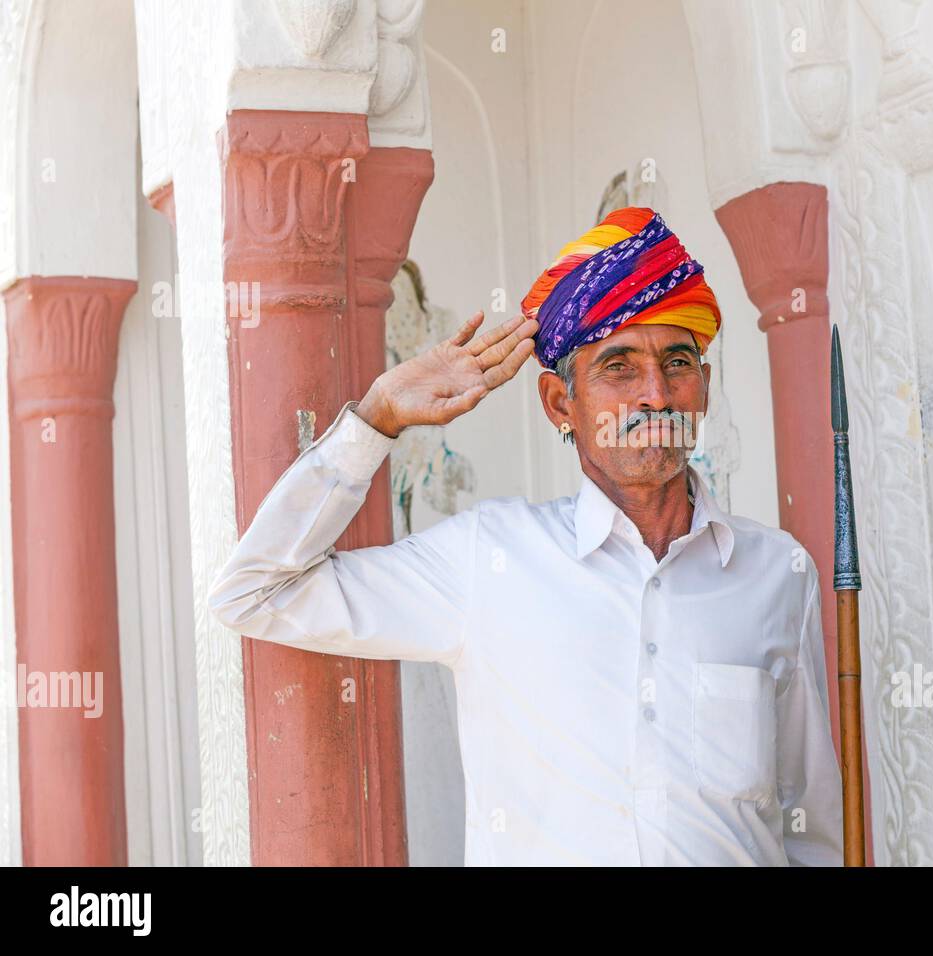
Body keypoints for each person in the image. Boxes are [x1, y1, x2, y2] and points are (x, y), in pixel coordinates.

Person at [208, 206, 844, 866]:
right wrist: (378, 417)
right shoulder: (490, 561)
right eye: (619, 367)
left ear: (703, 388)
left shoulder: (776, 571)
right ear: (560, 405)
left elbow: (808, 823)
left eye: (677, 362)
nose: (655, 394)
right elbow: (254, 592)